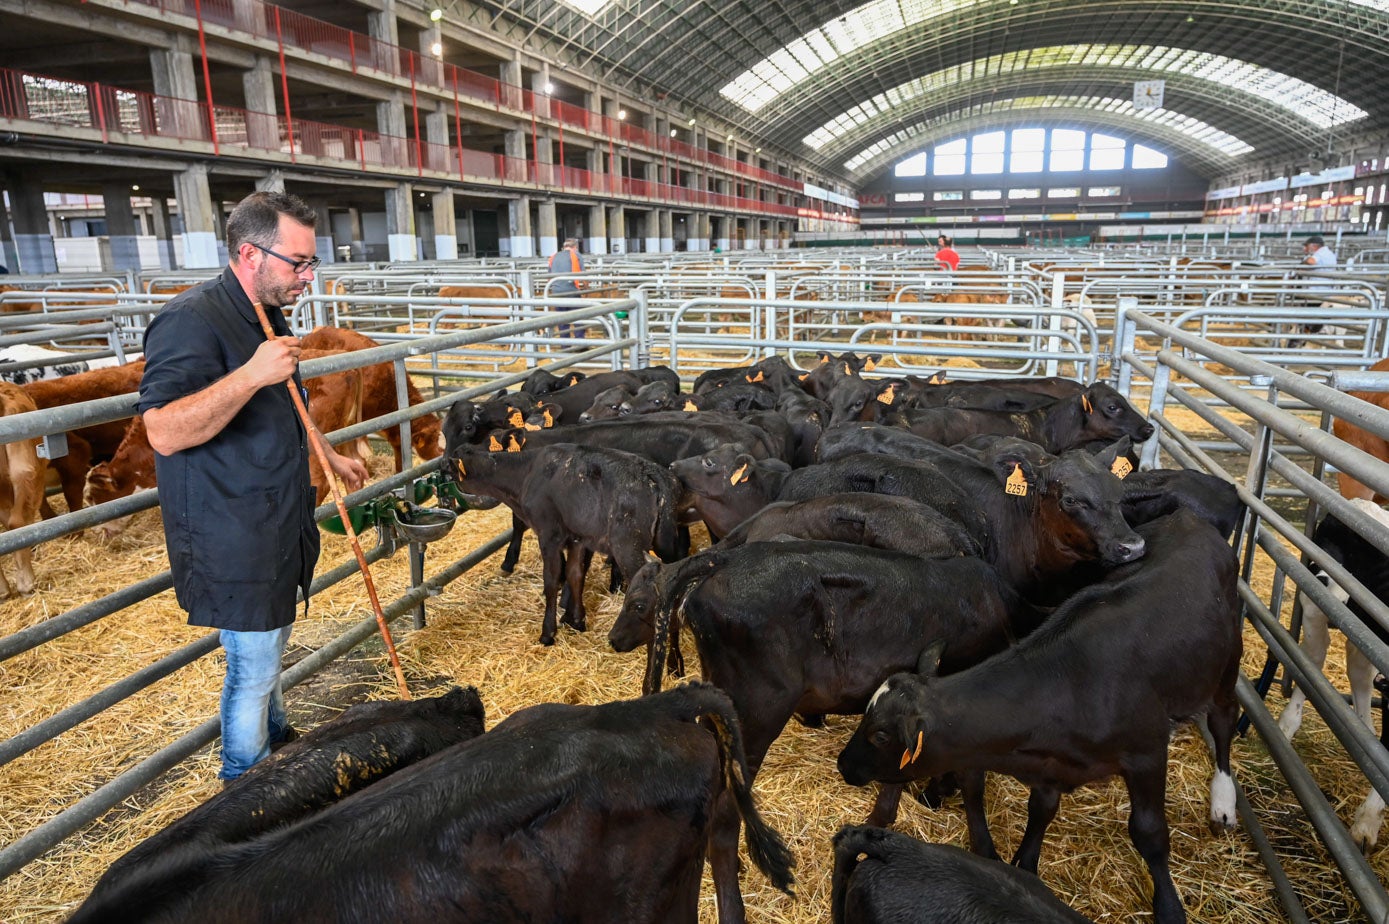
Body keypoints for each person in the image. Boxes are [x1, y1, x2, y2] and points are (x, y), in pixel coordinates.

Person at [138, 191, 368, 784]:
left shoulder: (265, 311)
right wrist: (250, 374)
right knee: (253, 666)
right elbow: (162, 430)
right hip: (231, 529)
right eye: (299, 262)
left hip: (276, 516)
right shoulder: (190, 320)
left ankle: (277, 737)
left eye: (310, 262)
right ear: (250, 252)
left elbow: (282, 405)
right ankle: (244, 784)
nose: (307, 277)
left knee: (269, 651)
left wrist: (327, 451)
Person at [547, 237, 586, 337]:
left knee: (562, 320)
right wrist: (586, 288)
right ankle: (580, 342)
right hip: (572, 291)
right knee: (579, 317)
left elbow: (549, 276)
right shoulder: (576, 255)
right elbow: (583, 275)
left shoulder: (553, 256)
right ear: (575, 247)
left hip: (557, 292)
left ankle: (565, 345)